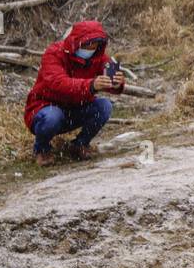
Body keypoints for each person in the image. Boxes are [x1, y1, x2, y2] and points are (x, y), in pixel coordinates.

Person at [24, 19, 124, 166]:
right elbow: (58, 84)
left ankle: (80, 145)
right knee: (52, 116)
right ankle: (42, 149)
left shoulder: (98, 57)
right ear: (76, 41)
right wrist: (91, 85)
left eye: (95, 44)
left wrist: (117, 82)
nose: (91, 48)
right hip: (45, 108)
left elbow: (107, 83)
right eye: (88, 44)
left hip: (75, 109)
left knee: (104, 106)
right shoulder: (54, 53)